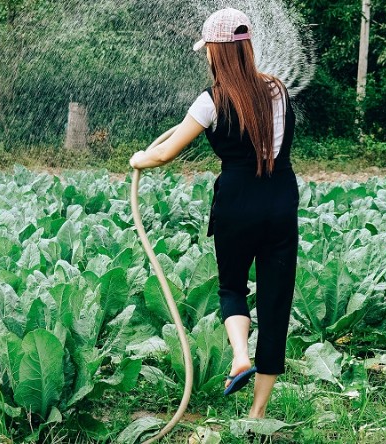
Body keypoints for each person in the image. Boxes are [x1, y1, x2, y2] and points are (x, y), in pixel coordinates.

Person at [129, 7, 299, 420]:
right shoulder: (277, 89)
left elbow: (166, 152)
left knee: (232, 287)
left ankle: (240, 354)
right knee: (276, 303)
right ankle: (257, 414)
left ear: (216, 53)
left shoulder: (211, 101)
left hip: (237, 204)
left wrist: (139, 158)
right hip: (279, 202)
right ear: (248, 48)